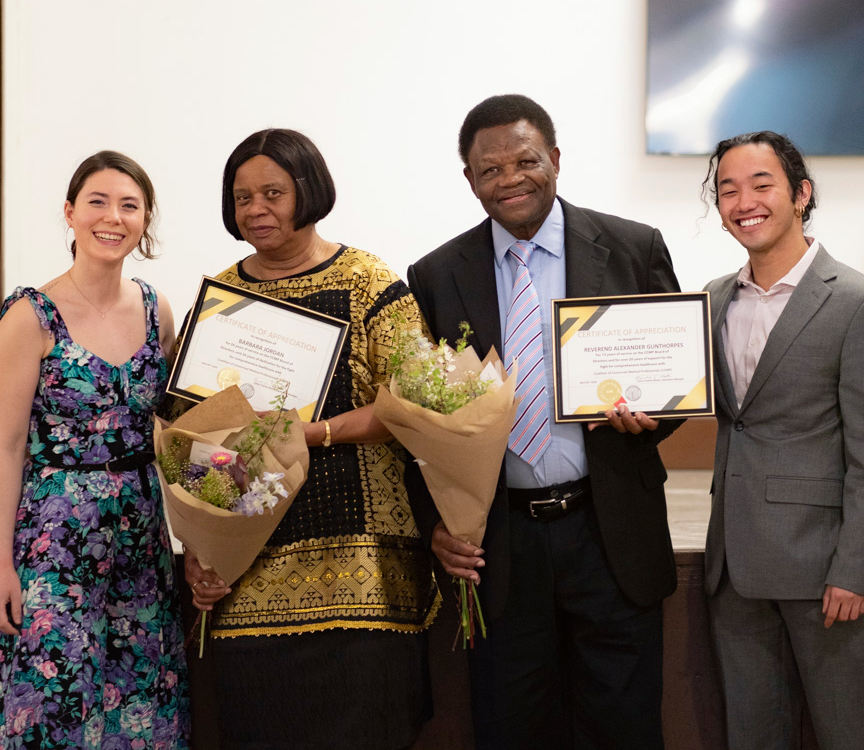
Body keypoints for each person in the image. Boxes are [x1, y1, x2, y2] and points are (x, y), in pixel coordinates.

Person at [406, 94, 681, 750]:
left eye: (525, 161)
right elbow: (417, 422)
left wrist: (656, 418)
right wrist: (436, 524)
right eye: (489, 170)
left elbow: (676, 378)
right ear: (469, 180)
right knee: (511, 726)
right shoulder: (437, 275)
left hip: (608, 531)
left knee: (625, 725)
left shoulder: (632, 249)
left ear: (554, 160)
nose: (510, 180)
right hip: (502, 543)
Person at [177, 128, 439, 750]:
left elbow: (416, 406)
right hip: (251, 567)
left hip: (365, 568)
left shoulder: (369, 282)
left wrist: (309, 432)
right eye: (242, 198)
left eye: (273, 192)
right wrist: (200, 545)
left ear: (310, 191)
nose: (256, 209)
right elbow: (193, 435)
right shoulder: (222, 298)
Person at [0, 151, 189, 748]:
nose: (113, 217)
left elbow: (175, 430)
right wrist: (0, 562)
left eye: (129, 205)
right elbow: (5, 446)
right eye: (98, 202)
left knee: (143, 695)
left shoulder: (159, 310)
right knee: (55, 699)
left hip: (140, 530)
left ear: (145, 219)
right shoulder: (30, 316)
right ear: (70, 213)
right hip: (54, 537)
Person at [701, 131, 864, 750]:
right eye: (727, 190)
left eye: (761, 184)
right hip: (733, 568)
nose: (744, 201)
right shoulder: (712, 300)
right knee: (752, 736)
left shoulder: (853, 300)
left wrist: (855, 568)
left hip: (824, 572)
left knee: (846, 730)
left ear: (801, 194)